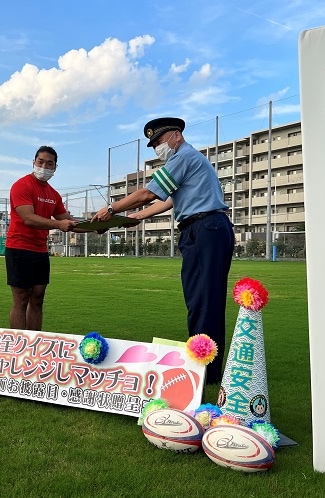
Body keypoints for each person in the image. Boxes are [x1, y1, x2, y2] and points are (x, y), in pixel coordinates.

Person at [92, 117, 234, 384]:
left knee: (205, 302)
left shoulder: (183, 157)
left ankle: (208, 369)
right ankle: (203, 361)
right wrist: (129, 219)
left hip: (207, 228)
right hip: (198, 229)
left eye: (159, 140)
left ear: (176, 135)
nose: (158, 147)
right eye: (154, 144)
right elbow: (166, 201)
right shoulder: (186, 161)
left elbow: (148, 194)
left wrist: (112, 209)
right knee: (198, 301)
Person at [5, 146, 79, 331]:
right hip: (19, 248)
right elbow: (28, 218)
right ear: (33, 162)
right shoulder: (22, 185)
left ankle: (35, 343)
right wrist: (58, 225)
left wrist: (95, 228)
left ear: (55, 167)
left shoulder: (53, 194)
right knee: (21, 298)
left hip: (39, 251)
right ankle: (19, 343)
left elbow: (67, 220)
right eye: (41, 162)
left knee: (38, 298)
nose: (44, 166)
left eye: (49, 163)